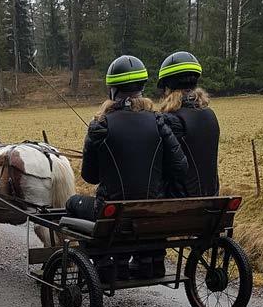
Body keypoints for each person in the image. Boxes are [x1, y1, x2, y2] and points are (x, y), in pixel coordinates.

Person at [66, 55, 188, 280]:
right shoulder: (159, 121)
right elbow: (180, 166)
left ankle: (104, 263)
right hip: (151, 215)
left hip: (112, 217)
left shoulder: (100, 125)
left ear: (112, 91)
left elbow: (90, 177)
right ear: (142, 88)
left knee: (72, 203)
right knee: (149, 206)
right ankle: (152, 261)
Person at [157, 51, 220, 197]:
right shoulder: (210, 116)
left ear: (168, 87)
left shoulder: (169, 120)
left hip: (176, 205)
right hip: (211, 200)